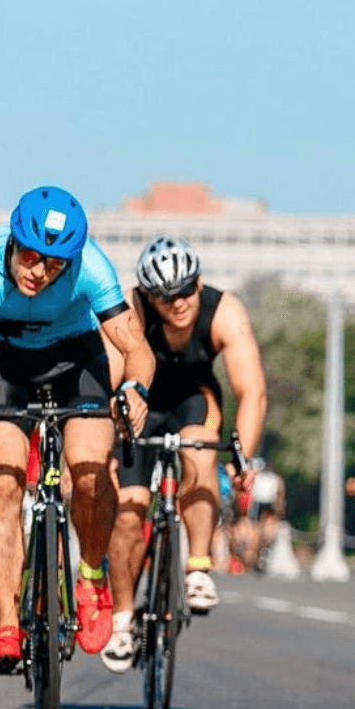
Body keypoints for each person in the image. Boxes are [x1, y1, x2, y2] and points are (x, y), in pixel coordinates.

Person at [0, 186, 154, 670]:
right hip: (2, 363)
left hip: (75, 360)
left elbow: (136, 348)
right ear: (15, 240)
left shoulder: (91, 266)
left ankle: (91, 575)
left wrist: (136, 388)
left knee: (91, 469)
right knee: (4, 483)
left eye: (56, 265)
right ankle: (7, 622)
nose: (41, 272)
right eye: (34, 258)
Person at [101, 236, 267, 672]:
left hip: (193, 398)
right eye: (164, 296)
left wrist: (243, 456)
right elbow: (111, 379)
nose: (178, 304)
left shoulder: (223, 311)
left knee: (198, 453)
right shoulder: (130, 309)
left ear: (199, 283)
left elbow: (252, 391)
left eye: (186, 291)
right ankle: (121, 620)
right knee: (128, 512)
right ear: (148, 295)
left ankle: (197, 568)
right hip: (141, 403)